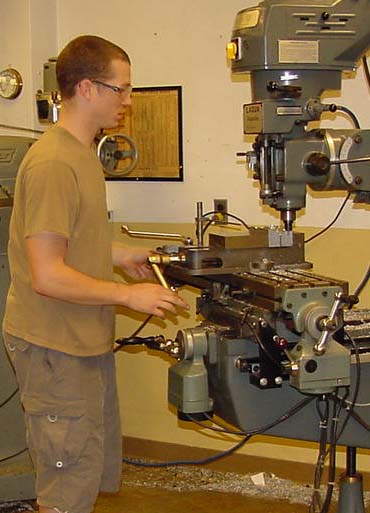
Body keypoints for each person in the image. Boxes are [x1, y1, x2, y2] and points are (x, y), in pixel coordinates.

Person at [2, 35, 188, 513]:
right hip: (54, 346)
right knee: (65, 485)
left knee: (84, 469)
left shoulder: (83, 155)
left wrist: (120, 253)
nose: (127, 101)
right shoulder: (52, 163)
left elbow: (70, 240)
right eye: (120, 89)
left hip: (79, 340)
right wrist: (130, 297)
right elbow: (47, 274)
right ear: (86, 88)